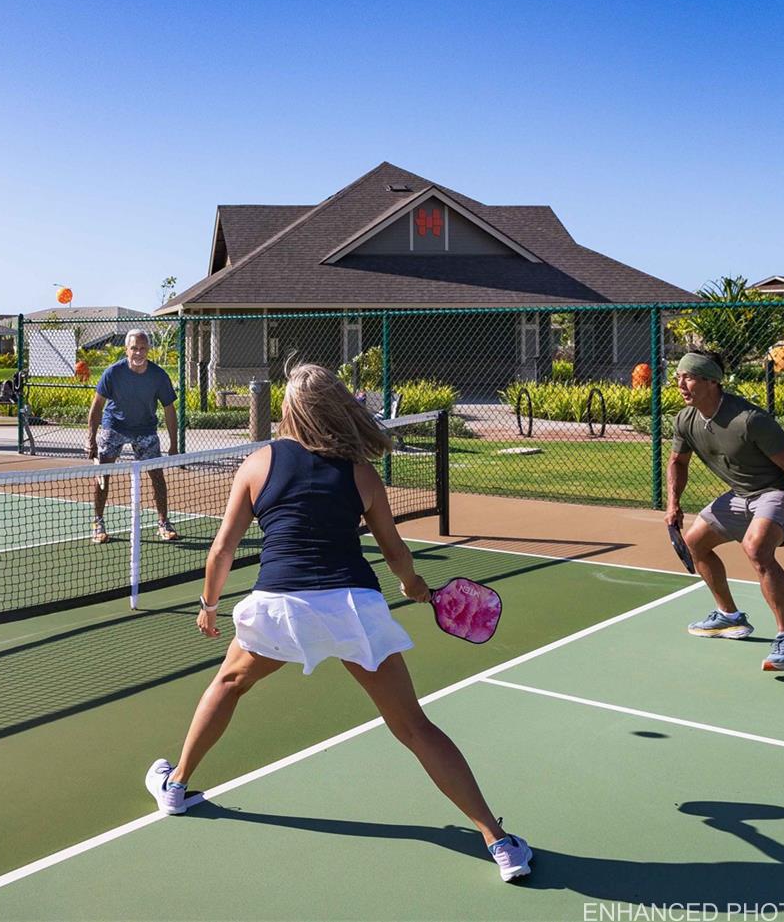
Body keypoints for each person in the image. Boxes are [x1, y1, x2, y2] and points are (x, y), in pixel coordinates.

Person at [144, 364, 533, 883]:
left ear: (291, 409)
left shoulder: (258, 462)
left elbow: (222, 550)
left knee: (229, 683)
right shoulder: (360, 472)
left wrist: (209, 605)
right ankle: (499, 842)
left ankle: (175, 787)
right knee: (414, 727)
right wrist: (413, 585)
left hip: (281, 607)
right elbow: (395, 553)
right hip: (352, 608)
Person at [665, 351, 784, 672]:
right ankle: (729, 617)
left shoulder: (749, 420)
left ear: (711, 381)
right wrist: (673, 503)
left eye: (688, 377)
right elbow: (678, 462)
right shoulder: (685, 420)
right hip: (739, 496)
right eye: (678, 377)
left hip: (775, 493)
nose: (680, 384)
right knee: (695, 543)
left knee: (757, 549)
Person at [86, 329, 181, 544]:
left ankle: (163, 523)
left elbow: (169, 410)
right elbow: (97, 406)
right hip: (114, 427)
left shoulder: (158, 375)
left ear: (148, 349)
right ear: (126, 350)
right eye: (134, 348)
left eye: (142, 348)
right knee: (103, 474)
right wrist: (90, 439)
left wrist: (174, 444)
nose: (138, 353)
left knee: (157, 476)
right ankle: (98, 523)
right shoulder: (112, 373)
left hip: (145, 430)